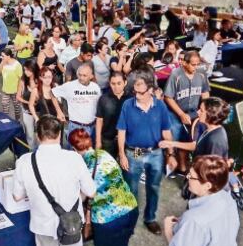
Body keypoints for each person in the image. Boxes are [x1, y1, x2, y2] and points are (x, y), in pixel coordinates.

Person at [13, 116, 95, 246]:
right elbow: (91, 191)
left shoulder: (25, 162)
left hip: (42, 224)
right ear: (60, 135)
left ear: (38, 136)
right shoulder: (74, 159)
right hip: (71, 224)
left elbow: (17, 196)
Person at [69, 129, 138, 246]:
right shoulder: (105, 154)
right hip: (130, 208)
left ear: (74, 149)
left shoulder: (84, 167)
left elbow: (82, 197)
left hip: (107, 218)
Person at [117, 71, 174, 234]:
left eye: (141, 93)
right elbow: (121, 131)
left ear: (151, 90)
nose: (137, 95)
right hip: (134, 153)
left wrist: (170, 154)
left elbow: (166, 131)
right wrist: (122, 155)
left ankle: (150, 218)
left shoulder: (160, 106)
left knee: (154, 187)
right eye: (135, 91)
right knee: (131, 188)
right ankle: (130, 219)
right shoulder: (128, 105)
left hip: (155, 154)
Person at [163, 52, 211, 175]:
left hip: (193, 112)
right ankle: (170, 167)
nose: (196, 67)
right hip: (175, 113)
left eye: (197, 64)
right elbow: (168, 97)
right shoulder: (176, 74)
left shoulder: (201, 73)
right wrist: (181, 114)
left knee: (187, 139)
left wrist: (203, 107)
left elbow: (205, 93)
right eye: (193, 65)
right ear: (184, 63)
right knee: (173, 139)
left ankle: (182, 167)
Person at [159, 97, 231, 160]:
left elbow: (213, 168)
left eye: (201, 110)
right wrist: (171, 143)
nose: (198, 112)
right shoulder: (210, 130)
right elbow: (197, 146)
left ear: (210, 114)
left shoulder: (215, 140)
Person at [53, 62, 102, 144]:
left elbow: (99, 105)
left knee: (90, 151)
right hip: (76, 127)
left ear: (91, 76)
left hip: (92, 127)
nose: (81, 78)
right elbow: (52, 93)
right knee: (74, 150)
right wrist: (59, 112)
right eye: (80, 75)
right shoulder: (70, 86)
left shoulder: (95, 87)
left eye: (84, 75)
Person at [94, 71, 128, 158]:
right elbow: (99, 120)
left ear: (125, 83)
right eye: (113, 84)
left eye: (119, 83)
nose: (116, 87)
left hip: (127, 140)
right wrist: (98, 141)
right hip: (108, 140)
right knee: (107, 164)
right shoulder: (103, 98)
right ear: (109, 83)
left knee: (127, 164)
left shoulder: (131, 98)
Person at [0, 48, 24, 122]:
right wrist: (2, 63)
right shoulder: (3, 62)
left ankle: (17, 121)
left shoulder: (17, 65)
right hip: (5, 90)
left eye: (3, 56)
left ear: (8, 56)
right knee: (5, 107)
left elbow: (21, 79)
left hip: (15, 91)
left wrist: (19, 92)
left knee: (17, 108)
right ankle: (6, 122)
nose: (1, 57)